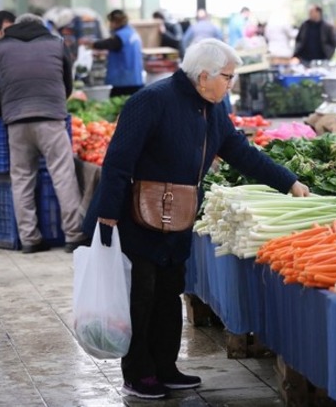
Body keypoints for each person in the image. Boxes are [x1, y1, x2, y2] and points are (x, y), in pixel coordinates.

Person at [82, 38, 308, 400]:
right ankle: (139, 374)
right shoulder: (150, 101)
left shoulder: (212, 109)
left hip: (180, 215)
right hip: (138, 216)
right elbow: (117, 161)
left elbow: (240, 152)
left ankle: (166, 368)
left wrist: (289, 182)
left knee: (170, 292)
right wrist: (107, 216)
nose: (231, 85)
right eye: (228, 78)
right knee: (142, 295)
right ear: (204, 76)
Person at [0, 13, 87, 253]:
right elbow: (67, 83)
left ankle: (29, 239)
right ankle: (73, 235)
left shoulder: (1, 47)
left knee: (22, 179)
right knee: (63, 175)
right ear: (41, 27)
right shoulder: (57, 44)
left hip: (16, 121)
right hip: (51, 118)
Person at [81, 9, 144, 97]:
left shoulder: (121, 36)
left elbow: (108, 44)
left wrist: (91, 44)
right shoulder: (132, 33)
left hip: (123, 81)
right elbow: (123, 51)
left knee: (118, 107)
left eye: (110, 22)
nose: (110, 25)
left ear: (115, 22)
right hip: (136, 79)